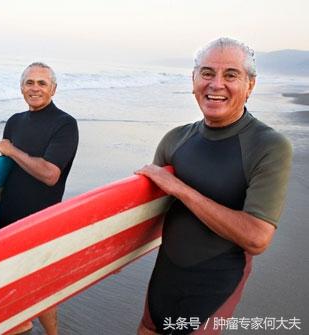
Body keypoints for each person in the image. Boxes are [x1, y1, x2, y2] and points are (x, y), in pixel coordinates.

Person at [135, 38, 292, 334]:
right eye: (207, 73)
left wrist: (181, 189)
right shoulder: (175, 140)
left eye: (231, 75)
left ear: (250, 84)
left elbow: (257, 239)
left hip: (216, 286)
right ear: (193, 80)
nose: (216, 84)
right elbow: (146, 212)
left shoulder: (268, 146)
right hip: (164, 280)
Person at [0, 62, 79, 335]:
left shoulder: (65, 124)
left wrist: (12, 150)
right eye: (30, 82)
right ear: (21, 88)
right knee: (14, 285)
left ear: (53, 88)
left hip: (41, 222)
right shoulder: (15, 122)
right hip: (9, 218)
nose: (35, 88)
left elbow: (50, 174)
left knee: (41, 289)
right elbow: (5, 172)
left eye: (42, 83)